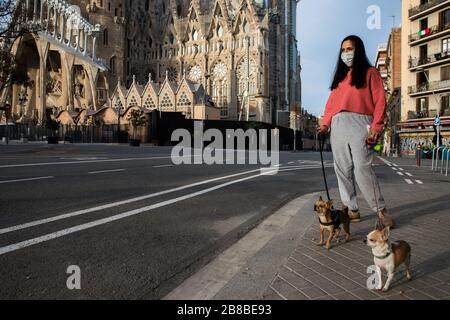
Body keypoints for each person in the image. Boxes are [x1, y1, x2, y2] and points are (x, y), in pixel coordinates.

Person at [316, 35, 395, 228]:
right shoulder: (340, 79)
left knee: (362, 168)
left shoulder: (370, 73)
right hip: (338, 125)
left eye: (349, 49)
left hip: (361, 122)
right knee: (342, 169)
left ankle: (381, 211)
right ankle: (352, 209)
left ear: (357, 50)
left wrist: (376, 127)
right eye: (343, 50)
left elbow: (380, 103)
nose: (346, 53)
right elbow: (331, 105)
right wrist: (325, 124)